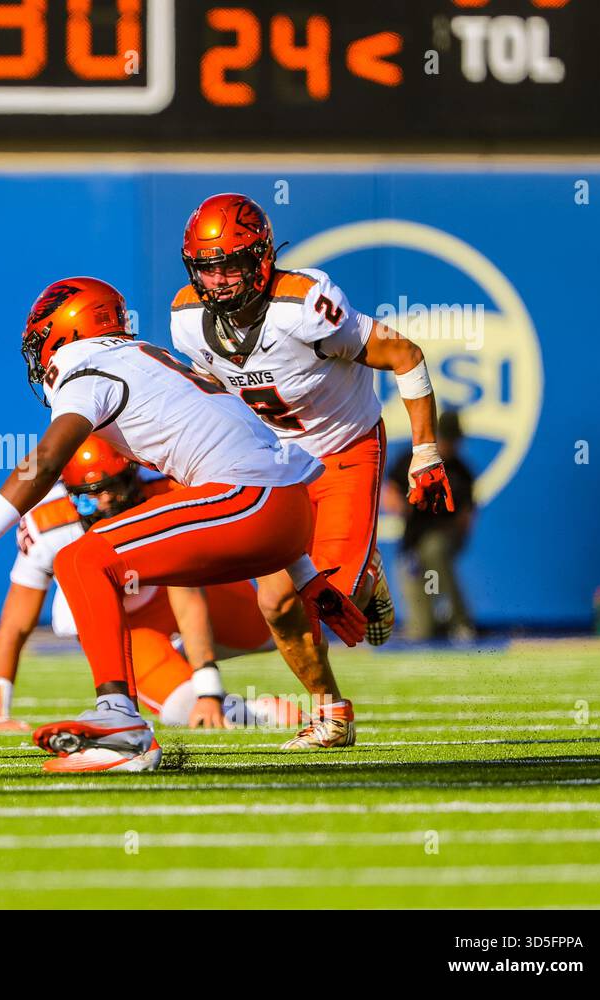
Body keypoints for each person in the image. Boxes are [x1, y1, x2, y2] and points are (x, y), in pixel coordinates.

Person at [0, 276, 365, 773]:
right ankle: (329, 711)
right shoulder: (144, 358)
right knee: (93, 559)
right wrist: (307, 574)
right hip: (281, 510)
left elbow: (44, 462)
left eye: (41, 340)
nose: (38, 357)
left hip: (253, 501)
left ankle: (121, 724)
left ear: (65, 332)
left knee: (82, 557)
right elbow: (244, 450)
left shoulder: (87, 366)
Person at [170, 193, 456, 743]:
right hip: (274, 465)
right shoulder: (186, 320)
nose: (222, 280)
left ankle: (365, 577)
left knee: (328, 597)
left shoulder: (304, 305)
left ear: (262, 257)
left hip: (344, 449)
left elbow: (405, 355)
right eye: (209, 267)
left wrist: (425, 453)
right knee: (274, 602)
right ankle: (330, 712)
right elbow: (211, 399)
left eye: (233, 263)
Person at [0, 435, 296, 734]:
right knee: (185, 710)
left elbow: (185, 591)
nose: (105, 502)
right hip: (125, 627)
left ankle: (186, 654)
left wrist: (209, 687)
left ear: (132, 476)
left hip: (176, 594)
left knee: (278, 628)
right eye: (92, 493)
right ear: (71, 492)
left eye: (113, 488)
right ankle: (258, 710)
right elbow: (16, 623)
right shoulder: (49, 522)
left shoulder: (162, 489)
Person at [384, 411, 477, 641]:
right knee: (420, 630)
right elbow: (391, 490)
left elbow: (466, 517)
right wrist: (399, 504)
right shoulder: (412, 460)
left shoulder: (461, 472)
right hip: (412, 543)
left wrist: (453, 537)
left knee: (433, 549)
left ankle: (460, 621)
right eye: (445, 439)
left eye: (452, 440)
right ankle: (438, 622)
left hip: (443, 537)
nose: (449, 445)